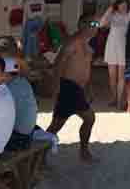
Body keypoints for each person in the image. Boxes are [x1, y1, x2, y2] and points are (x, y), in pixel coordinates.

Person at [46, 16, 99, 162]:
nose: (95, 27)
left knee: (56, 125)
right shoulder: (73, 42)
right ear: (81, 25)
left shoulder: (87, 44)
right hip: (68, 87)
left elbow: (86, 68)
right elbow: (58, 64)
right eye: (92, 23)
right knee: (89, 118)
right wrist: (55, 87)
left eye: (97, 24)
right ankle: (84, 152)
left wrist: (89, 88)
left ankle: (38, 155)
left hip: (77, 89)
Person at [100, 0, 130, 108]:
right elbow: (101, 24)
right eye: (121, 5)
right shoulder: (113, 14)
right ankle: (114, 98)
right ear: (117, 6)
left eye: (125, 6)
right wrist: (109, 9)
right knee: (112, 75)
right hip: (111, 45)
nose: (123, 8)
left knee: (121, 76)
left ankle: (120, 100)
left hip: (123, 45)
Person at [0, 56, 38, 151]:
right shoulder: (22, 81)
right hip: (28, 134)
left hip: (19, 139)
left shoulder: (9, 89)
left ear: (6, 74)